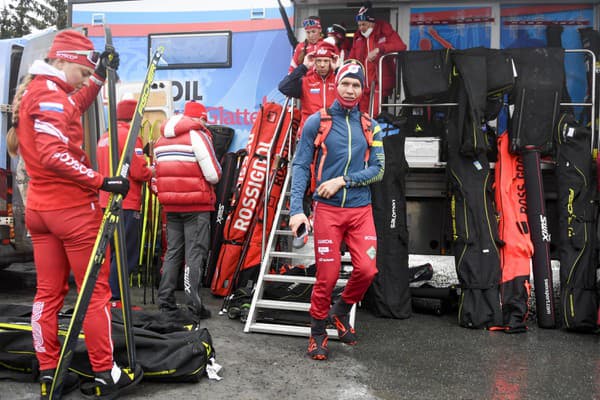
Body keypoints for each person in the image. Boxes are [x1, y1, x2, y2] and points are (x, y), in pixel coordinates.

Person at [6, 30, 143, 398]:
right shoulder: (50, 95)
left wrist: (97, 77)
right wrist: (103, 181)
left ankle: (49, 371)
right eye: (83, 72)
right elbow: (53, 153)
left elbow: (73, 108)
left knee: (47, 293)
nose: (84, 80)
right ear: (65, 60)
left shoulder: (44, 92)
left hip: (40, 210)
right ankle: (104, 374)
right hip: (72, 211)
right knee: (94, 293)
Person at [288, 61, 385, 360]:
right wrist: (296, 209)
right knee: (327, 277)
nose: (350, 89)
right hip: (327, 211)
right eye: (346, 83)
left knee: (367, 270)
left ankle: (340, 312)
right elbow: (301, 165)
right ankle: (318, 333)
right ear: (337, 84)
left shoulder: (371, 125)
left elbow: (379, 170)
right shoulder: (317, 122)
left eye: (356, 85)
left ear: (361, 90)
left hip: (360, 210)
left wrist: (343, 180)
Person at [154, 100, 222, 320]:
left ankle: (165, 302)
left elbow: (156, 175)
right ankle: (193, 305)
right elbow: (213, 174)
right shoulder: (198, 136)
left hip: (170, 205)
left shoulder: (160, 139)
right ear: (200, 118)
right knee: (194, 255)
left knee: (173, 253)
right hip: (196, 205)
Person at [96, 98, 153, 308]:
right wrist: (151, 171)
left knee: (109, 252)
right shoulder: (130, 137)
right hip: (126, 202)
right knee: (125, 253)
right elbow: (138, 171)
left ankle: (107, 297)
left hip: (105, 201)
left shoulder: (104, 137)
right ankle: (115, 299)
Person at [349, 1, 406, 115]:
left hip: (378, 83)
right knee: (362, 117)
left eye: (364, 24)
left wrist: (380, 49)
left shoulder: (384, 30)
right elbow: (352, 58)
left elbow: (401, 46)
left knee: (373, 115)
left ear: (372, 22)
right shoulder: (358, 37)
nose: (361, 28)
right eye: (359, 25)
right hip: (362, 84)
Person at [278, 39, 339, 131]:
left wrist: (338, 70)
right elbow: (283, 87)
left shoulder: (339, 81)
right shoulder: (306, 82)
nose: (322, 65)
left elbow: (354, 95)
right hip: (309, 133)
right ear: (314, 62)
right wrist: (304, 66)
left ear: (331, 62)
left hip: (333, 133)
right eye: (319, 61)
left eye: (326, 61)